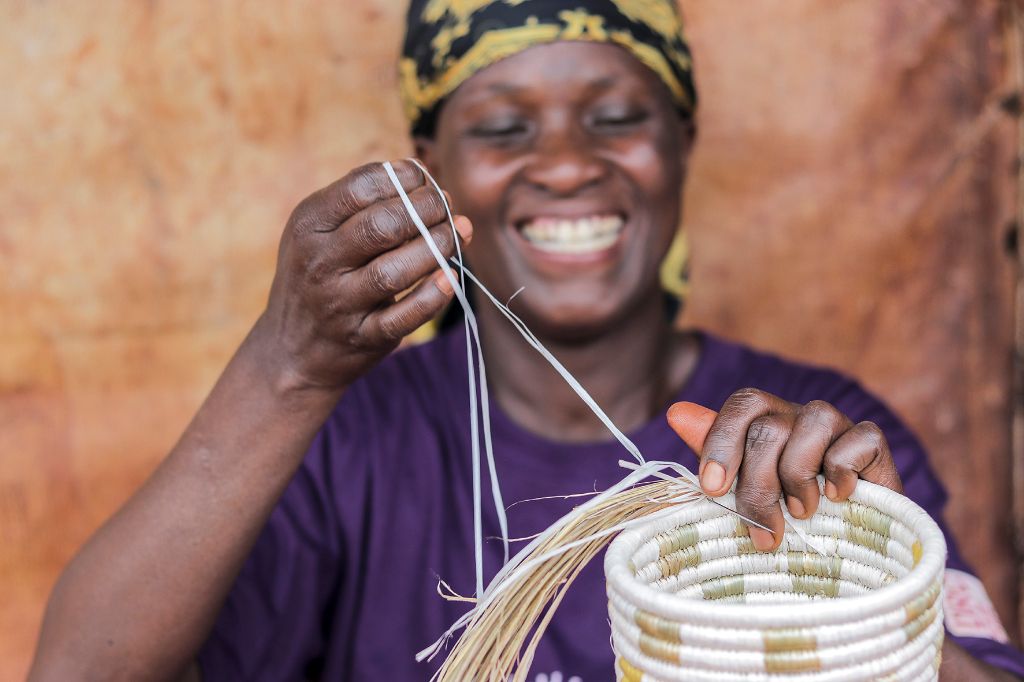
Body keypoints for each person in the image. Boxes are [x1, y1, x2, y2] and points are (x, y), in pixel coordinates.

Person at [29, 1, 1024, 680]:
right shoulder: (343, 443)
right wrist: (284, 369)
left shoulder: (821, 446)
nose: (563, 164)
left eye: (616, 116)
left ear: (684, 143)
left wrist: (861, 573)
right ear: (433, 171)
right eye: (504, 128)